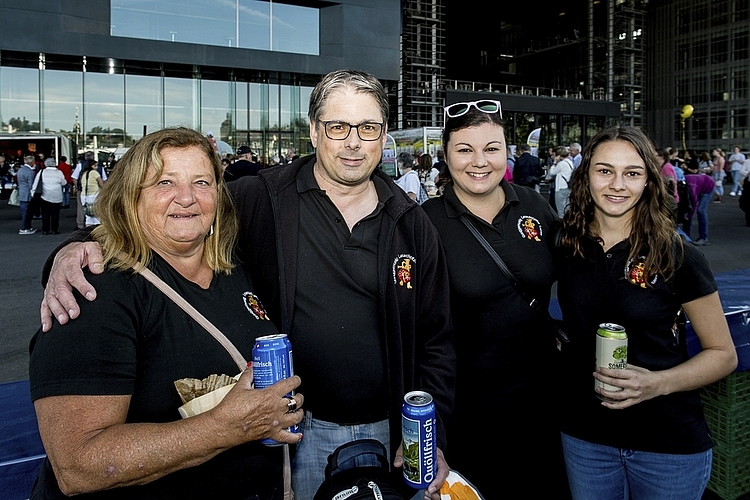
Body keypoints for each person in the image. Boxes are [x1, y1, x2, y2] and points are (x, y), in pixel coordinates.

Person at [40, 69, 455, 500]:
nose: (353, 142)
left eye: (367, 128)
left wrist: (434, 435)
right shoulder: (261, 198)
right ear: (314, 131)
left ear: (383, 135)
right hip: (288, 431)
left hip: (392, 430)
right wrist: (75, 249)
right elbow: (165, 217)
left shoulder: (412, 222)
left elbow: (436, 341)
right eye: (338, 126)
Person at [28, 127, 304, 499]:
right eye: (164, 182)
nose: (187, 197)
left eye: (202, 182)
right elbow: (78, 464)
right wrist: (224, 428)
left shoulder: (233, 266)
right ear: (130, 196)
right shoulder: (95, 291)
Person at [555, 125, 737, 499]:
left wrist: (656, 383)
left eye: (632, 173)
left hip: (666, 443)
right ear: (585, 174)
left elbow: (723, 355)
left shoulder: (677, 255)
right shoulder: (566, 244)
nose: (617, 184)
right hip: (585, 437)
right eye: (605, 170)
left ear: (648, 182)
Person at [421, 99, 566, 497]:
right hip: (470, 416)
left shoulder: (534, 205)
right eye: (464, 149)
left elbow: (579, 271)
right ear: (446, 156)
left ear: (507, 151)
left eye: (492, 148)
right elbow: (412, 333)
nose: (479, 161)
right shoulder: (425, 224)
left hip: (544, 406)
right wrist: (428, 432)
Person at [31, 157, 67, 235]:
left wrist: (32, 193)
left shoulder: (42, 172)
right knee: (55, 214)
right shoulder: (59, 172)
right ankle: (54, 229)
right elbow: (64, 182)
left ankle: (45, 229)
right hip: (57, 195)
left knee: (45, 213)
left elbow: (36, 183)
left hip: (45, 195)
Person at [683, 163, 716, 246]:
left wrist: (689, 216)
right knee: (689, 210)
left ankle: (704, 237)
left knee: (701, 211)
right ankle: (686, 235)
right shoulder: (684, 182)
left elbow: (694, 202)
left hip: (708, 186)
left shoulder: (690, 185)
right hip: (702, 185)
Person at [548, 145, 575, 218]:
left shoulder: (561, 164)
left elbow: (552, 172)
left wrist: (554, 162)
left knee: (560, 210)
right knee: (566, 208)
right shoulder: (570, 162)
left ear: (559, 155)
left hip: (560, 188)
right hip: (568, 187)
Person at [80, 159, 105, 226]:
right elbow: (101, 182)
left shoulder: (84, 173)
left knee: (88, 215)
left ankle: (88, 230)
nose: (96, 167)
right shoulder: (94, 173)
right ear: (91, 166)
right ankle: (97, 230)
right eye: (95, 166)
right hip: (94, 195)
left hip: (84, 196)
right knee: (97, 214)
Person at [17, 154, 38, 234]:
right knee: (27, 212)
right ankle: (25, 228)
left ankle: (26, 227)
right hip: (28, 193)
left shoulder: (20, 170)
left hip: (21, 191)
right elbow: (32, 185)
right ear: (32, 162)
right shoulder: (30, 172)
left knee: (24, 211)